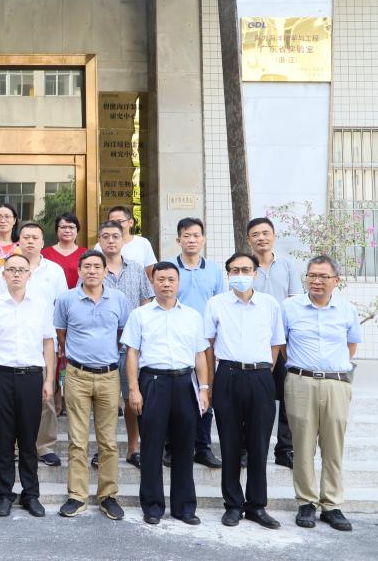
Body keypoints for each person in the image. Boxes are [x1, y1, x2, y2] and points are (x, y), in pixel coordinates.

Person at [121, 262, 211, 525]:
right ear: (153, 283)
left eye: (171, 279)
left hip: (185, 382)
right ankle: (152, 506)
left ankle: (184, 507)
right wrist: (134, 389)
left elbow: (200, 355)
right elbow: (132, 353)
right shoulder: (140, 315)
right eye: (161, 279)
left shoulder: (192, 316)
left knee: (184, 446)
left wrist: (204, 388)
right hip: (153, 382)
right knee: (151, 447)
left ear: (178, 282)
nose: (166, 284)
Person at [204, 252, 284, 529]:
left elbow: (276, 343)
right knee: (229, 443)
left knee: (259, 444)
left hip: (261, 377)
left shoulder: (270, 304)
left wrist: (264, 371)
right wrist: (209, 384)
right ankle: (233, 505)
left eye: (246, 270)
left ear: (255, 273)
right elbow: (208, 346)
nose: (241, 275)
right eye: (235, 270)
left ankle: (256, 506)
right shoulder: (216, 304)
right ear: (228, 275)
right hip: (227, 375)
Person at [283, 255, 362, 532]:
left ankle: (331, 505)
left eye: (323, 276)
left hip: (336, 384)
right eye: (312, 275)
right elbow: (282, 345)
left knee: (333, 447)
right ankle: (306, 502)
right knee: (302, 446)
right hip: (300, 382)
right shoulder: (289, 308)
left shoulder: (347, 310)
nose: (316, 281)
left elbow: (351, 346)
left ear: (335, 281)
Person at [53, 250, 130, 520]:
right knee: (77, 440)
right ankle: (77, 495)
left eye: (98, 266)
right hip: (77, 375)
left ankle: (108, 496)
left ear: (106, 271)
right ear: (79, 271)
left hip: (109, 376)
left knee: (108, 441)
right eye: (87, 266)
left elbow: (122, 333)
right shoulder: (66, 299)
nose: (92, 271)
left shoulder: (119, 299)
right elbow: (61, 335)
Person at [0, 253, 56, 518]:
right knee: (4, 438)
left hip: (31, 376)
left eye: (21, 270)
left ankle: (30, 494)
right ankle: (4, 493)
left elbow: (48, 342)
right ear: (3, 275)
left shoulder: (41, 305)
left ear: (29, 275)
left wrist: (49, 379)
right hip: (1, 375)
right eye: (11, 269)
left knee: (28, 438)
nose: (16, 274)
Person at [0, 222, 68, 468]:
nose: (31, 241)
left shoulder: (54, 270)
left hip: (42, 341)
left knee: (45, 397)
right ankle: (15, 446)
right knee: (12, 406)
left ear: (43, 242)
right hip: (10, 345)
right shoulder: (5, 270)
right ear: (19, 241)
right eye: (26, 237)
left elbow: (62, 305)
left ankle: (44, 446)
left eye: (35, 237)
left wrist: (60, 340)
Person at [98, 220, 154, 469]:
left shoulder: (137, 269)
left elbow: (146, 302)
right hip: (103, 348)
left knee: (133, 399)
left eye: (115, 236)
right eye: (106, 236)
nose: (111, 240)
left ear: (123, 240)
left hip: (132, 348)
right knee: (106, 403)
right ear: (99, 240)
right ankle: (104, 450)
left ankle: (133, 448)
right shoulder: (93, 267)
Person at [247, 216, 302, 469]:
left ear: (274, 236)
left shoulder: (288, 265)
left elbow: (294, 302)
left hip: (284, 342)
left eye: (265, 233)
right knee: (254, 397)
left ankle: (285, 449)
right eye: (256, 234)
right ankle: (249, 448)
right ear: (249, 239)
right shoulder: (246, 266)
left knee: (288, 395)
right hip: (255, 343)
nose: (261, 238)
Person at [169, 217, 224, 469]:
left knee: (206, 389)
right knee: (175, 394)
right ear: (178, 239)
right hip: (175, 340)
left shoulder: (214, 270)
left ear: (203, 239)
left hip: (206, 342)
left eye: (196, 235)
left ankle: (202, 447)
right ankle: (172, 447)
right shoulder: (169, 268)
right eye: (186, 235)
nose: (191, 240)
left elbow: (220, 306)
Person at [94, 205, 157, 272]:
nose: (116, 225)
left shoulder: (143, 243)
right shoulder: (100, 246)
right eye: (112, 222)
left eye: (120, 221)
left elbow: (149, 272)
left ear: (131, 222)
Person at [42, 212, 84, 288]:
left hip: (78, 294)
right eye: (63, 227)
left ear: (77, 230)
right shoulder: (44, 253)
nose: (67, 230)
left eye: (71, 227)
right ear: (57, 230)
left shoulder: (86, 254)